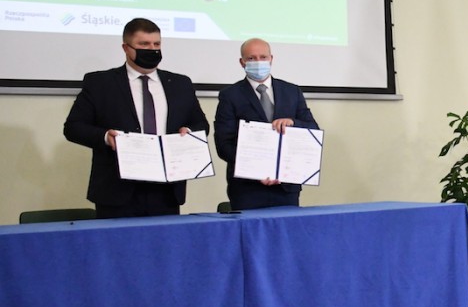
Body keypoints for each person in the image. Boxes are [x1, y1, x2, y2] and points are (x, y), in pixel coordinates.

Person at [63, 18, 209, 218]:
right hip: (117, 190)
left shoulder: (180, 84)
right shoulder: (100, 83)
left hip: (166, 190)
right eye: (144, 44)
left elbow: (200, 124)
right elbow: (73, 127)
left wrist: (189, 132)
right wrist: (105, 137)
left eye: (156, 44)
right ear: (126, 48)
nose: (152, 50)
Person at [214, 38, 319, 210]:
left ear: (271, 59)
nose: (258, 62)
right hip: (247, 188)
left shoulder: (292, 91)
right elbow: (224, 144)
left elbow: (312, 129)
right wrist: (257, 170)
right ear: (242, 62)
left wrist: (293, 123)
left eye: (263, 57)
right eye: (251, 58)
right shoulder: (230, 95)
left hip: (286, 187)